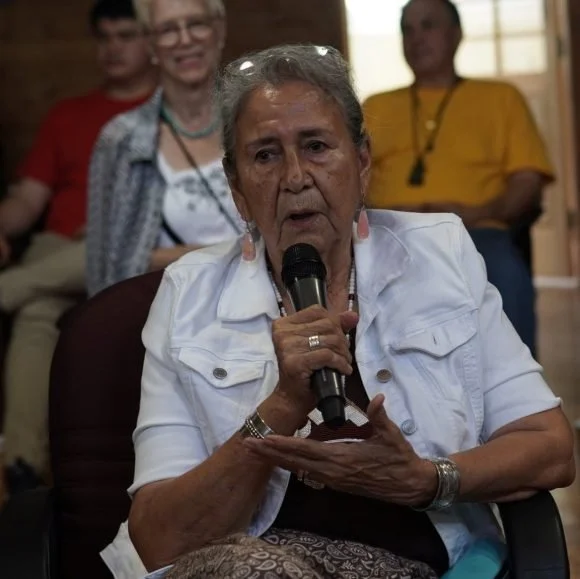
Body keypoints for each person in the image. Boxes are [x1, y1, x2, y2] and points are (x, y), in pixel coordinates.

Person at [99, 44, 574, 579]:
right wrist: (281, 406)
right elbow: (158, 539)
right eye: (265, 156)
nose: (295, 177)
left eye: (317, 146)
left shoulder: (439, 255)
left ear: (362, 162)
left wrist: (426, 479)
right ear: (237, 188)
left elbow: (549, 447)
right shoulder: (187, 295)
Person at [1, 0, 156, 495]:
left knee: (55, 277)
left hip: (124, 247)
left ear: (150, 42)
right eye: (104, 38)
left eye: (125, 36)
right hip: (55, 252)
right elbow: (27, 200)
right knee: (35, 314)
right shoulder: (67, 114)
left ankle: (6, 288)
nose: (113, 48)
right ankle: (22, 467)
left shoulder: (164, 113)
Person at [362, 0, 554, 357]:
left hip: (474, 232)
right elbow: (348, 177)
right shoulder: (375, 106)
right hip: (387, 234)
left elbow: (527, 179)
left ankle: (517, 385)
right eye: (407, 29)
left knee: (503, 272)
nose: (417, 38)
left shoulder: (500, 98)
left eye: (428, 25)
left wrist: (477, 213)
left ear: (456, 34)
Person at [87, 0, 241, 298]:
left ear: (219, 29)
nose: (185, 39)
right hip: (167, 310)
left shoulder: (259, 123)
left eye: (196, 24)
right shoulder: (120, 139)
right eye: (168, 30)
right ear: (150, 43)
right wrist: (220, 253)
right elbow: (107, 267)